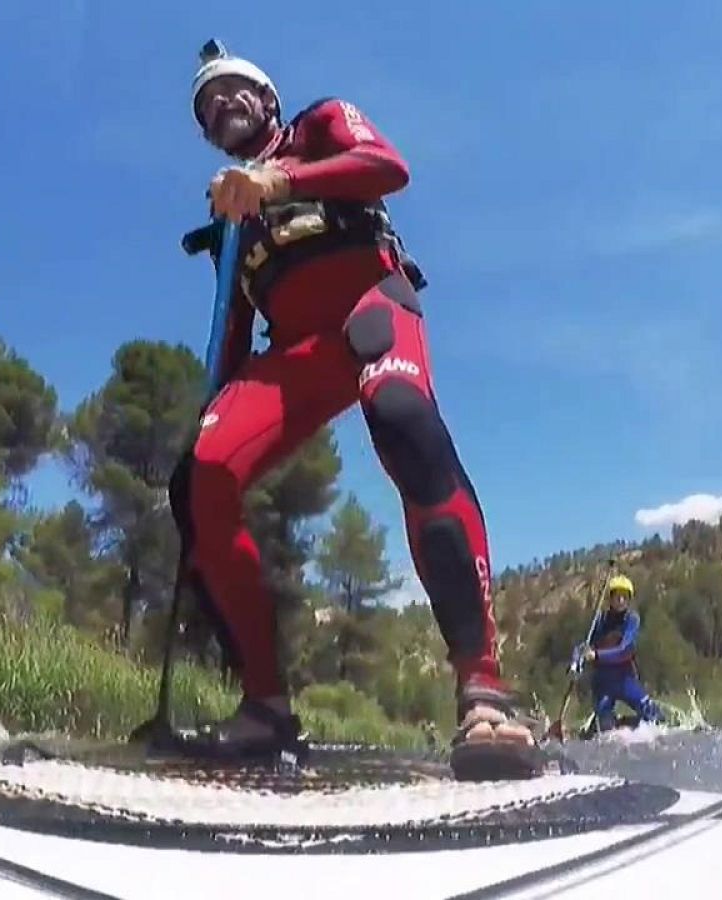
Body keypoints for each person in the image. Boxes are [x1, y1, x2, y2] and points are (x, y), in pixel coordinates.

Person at [167, 40, 538, 778]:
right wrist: (219, 408)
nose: (220, 108)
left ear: (267, 101)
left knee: (403, 420)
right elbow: (233, 333)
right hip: (294, 353)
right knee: (198, 483)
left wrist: (275, 180)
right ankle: (265, 706)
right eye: (207, 108)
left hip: (370, 310)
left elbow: (387, 170)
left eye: (234, 93)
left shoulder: (320, 126)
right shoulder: (232, 218)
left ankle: (483, 691)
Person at [573, 574, 665, 734]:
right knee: (606, 730)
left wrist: (597, 655)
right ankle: (602, 725)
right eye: (617, 596)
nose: (621, 600)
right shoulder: (599, 620)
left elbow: (624, 650)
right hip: (602, 683)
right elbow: (582, 646)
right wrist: (576, 662)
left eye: (625, 597)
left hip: (625, 679)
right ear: (611, 598)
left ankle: (628, 723)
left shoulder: (632, 619)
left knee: (655, 717)